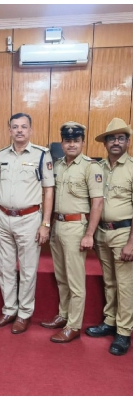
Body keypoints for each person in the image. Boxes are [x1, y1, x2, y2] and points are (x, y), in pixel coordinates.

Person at [0, 112, 54, 334]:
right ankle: (9, 309)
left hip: (30, 219)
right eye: (15, 127)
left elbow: (48, 190)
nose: (19, 130)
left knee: (28, 269)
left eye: (23, 127)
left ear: (30, 130)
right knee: (6, 267)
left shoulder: (42, 155)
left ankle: (24, 314)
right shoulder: (2, 155)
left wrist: (45, 224)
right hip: (3, 218)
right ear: (9, 130)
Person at [41, 122, 103, 343]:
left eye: (76, 141)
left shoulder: (91, 167)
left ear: (82, 143)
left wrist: (89, 234)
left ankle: (74, 325)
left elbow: (97, 203)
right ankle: (63, 315)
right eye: (67, 141)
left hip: (77, 227)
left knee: (75, 280)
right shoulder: (56, 165)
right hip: (57, 226)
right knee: (62, 277)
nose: (71, 144)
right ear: (62, 143)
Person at [85, 118, 133, 356]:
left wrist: (132, 242)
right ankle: (110, 322)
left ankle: (124, 332)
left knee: (125, 285)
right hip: (102, 232)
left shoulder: (133, 168)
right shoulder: (98, 168)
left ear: (127, 142)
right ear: (105, 143)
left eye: (121, 138)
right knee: (110, 281)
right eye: (111, 138)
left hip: (125, 233)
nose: (116, 142)